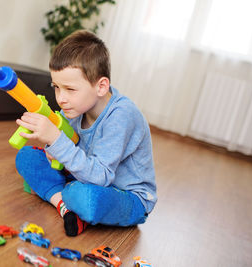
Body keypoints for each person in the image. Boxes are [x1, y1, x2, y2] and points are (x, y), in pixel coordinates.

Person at [15, 30, 157, 236]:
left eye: (70, 89)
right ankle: (65, 207)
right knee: (27, 157)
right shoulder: (73, 108)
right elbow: (68, 150)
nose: (61, 98)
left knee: (86, 199)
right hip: (83, 177)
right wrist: (51, 147)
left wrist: (56, 140)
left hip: (127, 196)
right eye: (56, 87)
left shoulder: (122, 115)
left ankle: (64, 198)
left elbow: (101, 177)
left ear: (101, 86)